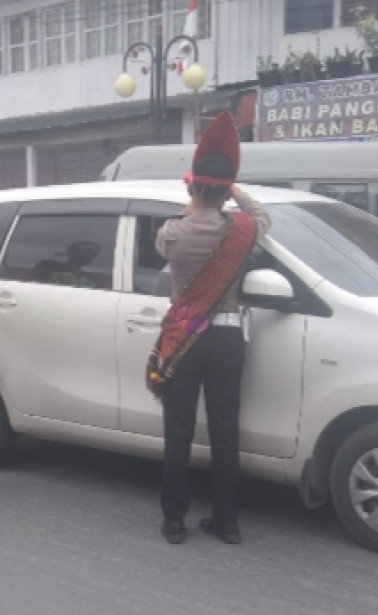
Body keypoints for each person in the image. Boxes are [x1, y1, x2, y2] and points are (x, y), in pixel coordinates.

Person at [148, 111, 272, 545]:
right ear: (226, 191)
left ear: (192, 186)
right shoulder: (243, 228)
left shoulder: (172, 232)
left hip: (185, 338)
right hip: (226, 337)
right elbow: (262, 216)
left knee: (178, 430)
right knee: (224, 430)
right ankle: (228, 520)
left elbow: (164, 244)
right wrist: (232, 191)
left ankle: (173, 519)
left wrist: (197, 199)